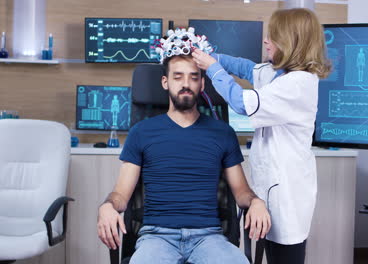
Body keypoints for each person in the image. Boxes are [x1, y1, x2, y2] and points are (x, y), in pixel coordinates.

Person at [97, 52, 271, 264]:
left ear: (202, 84)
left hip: (209, 238)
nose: (186, 83)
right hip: (157, 237)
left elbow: (242, 192)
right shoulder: (141, 132)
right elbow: (121, 195)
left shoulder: (223, 133)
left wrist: (256, 202)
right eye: (178, 77)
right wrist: (107, 206)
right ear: (165, 82)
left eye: (194, 77)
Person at [192, 8, 331, 264]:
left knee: (284, 257)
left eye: (273, 36)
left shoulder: (297, 83)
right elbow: (247, 68)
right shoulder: (280, 73)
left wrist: (212, 69)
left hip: (287, 192)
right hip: (270, 187)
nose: (266, 41)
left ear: (291, 42)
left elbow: (242, 104)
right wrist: (211, 56)